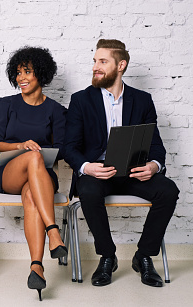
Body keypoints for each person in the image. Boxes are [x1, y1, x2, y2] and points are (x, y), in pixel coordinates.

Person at [63, 39, 179, 287]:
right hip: (98, 173)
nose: (96, 66)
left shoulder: (142, 100)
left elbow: (156, 145)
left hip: (134, 172)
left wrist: (154, 166)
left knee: (168, 191)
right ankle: (108, 256)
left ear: (121, 65)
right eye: (95, 61)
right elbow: (69, 147)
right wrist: (87, 167)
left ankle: (143, 256)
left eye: (103, 61)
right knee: (88, 191)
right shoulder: (80, 100)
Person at [0, 46, 68, 301]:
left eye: (27, 72)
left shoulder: (57, 110)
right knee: (34, 156)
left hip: (41, 177)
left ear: (41, 75)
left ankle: (37, 266)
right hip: (9, 171)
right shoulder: (6, 104)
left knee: (32, 197)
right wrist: (21, 146)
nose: (21, 78)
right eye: (17, 73)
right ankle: (53, 231)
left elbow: (62, 150)